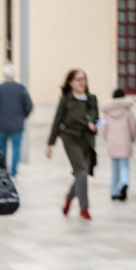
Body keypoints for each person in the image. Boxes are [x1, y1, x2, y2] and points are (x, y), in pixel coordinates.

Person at [47, 69, 99, 220]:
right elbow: (57, 121)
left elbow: (97, 119)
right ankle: (84, 208)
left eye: (84, 79)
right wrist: (50, 144)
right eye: (78, 79)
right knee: (81, 172)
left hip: (87, 140)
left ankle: (69, 197)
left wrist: (95, 124)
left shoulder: (92, 99)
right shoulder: (66, 100)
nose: (82, 82)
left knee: (82, 174)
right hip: (70, 138)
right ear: (71, 83)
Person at [0, 61, 34, 178]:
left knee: (2, 149)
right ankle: (13, 172)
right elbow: (29, 106)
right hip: (17, 124)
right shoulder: (21, 88)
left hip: (2, 124)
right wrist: (22, 117)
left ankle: (3, 170)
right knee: (16, 149)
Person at [100, 88, 136, 201]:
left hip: (112, 142)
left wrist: (108, 138)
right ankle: (124, 183)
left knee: (114, 168)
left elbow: (103, 128)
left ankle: (114, 192)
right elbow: (133, 127)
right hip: (125, 142)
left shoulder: (106, 112)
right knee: (124, 166)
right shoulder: (128, 111)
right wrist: (132, 138)